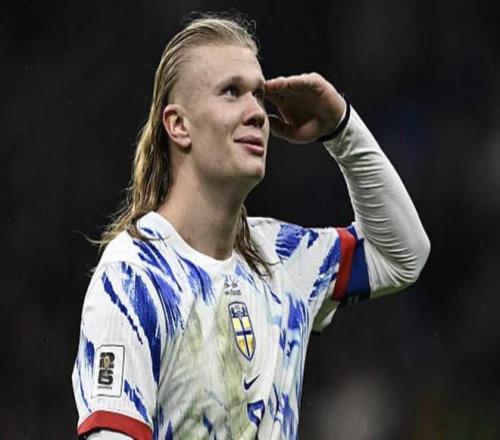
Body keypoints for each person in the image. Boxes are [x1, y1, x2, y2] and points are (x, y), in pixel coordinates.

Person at [72, 13, 430, 440]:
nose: (257, 113)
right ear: (178, 125)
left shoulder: (281, 258)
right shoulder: (133, 277)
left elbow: (401, 254)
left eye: (259, 95)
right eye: (231, 92)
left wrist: (342, 129)